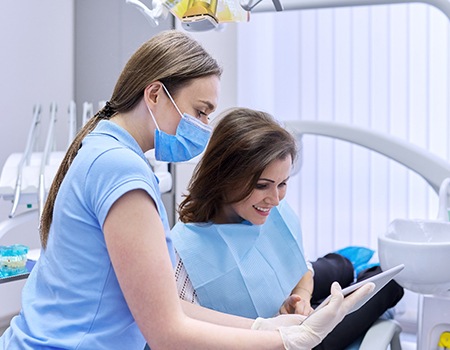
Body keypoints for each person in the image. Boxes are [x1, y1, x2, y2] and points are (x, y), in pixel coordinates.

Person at [0, 31, 373, 350]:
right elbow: (166, 332)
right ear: (156, 94)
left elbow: (163, 306)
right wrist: (285, 341)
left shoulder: (105, 150)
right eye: (201, 111)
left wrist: (265, 327)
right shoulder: (121, 171)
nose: (206, 126)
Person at [171, 107, 404, 350]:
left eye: (282, 184)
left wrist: (302, 297)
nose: (275, 199)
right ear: (224, 176)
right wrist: (282, 331)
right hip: (277, 342)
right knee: (389, 283)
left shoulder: (267, 209)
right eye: (262, 185)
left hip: (286, 299)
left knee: (343, 267)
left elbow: (301, 270)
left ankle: (346, 267)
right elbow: (182, 330)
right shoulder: (183, 254)